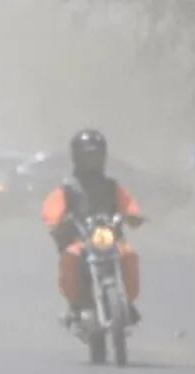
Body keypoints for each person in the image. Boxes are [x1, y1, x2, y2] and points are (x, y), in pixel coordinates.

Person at [41, 129, 144, 325]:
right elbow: (52, 208)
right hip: (80, 240)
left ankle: (127, 303)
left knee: (129, 255)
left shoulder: (111, 186)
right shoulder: (67, 187)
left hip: (110, 240)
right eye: (88, 156)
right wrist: (57, 220)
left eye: (96, 156)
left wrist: (133, 215)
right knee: (70, 257)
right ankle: (75, 304)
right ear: (77, 157)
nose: (92, 160)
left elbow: (128, 203)